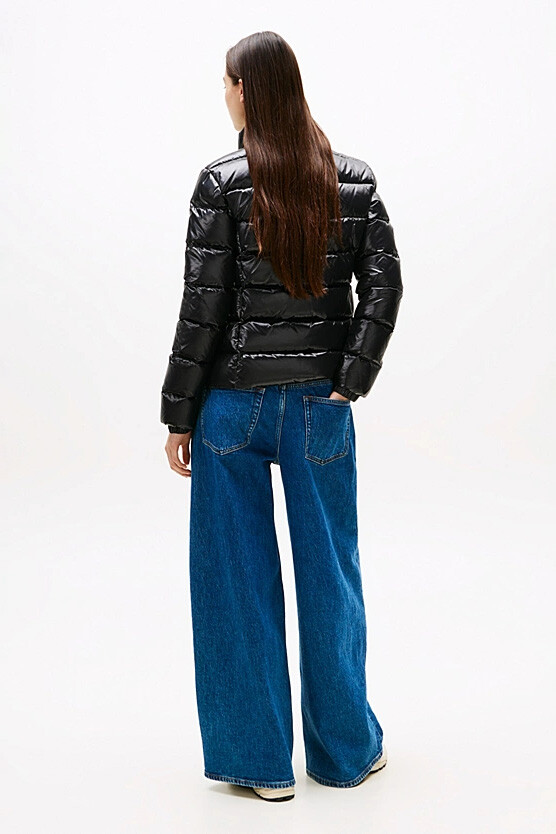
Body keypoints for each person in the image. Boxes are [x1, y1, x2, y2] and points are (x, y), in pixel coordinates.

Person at [160, 31, 403, 802]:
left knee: (234, 584)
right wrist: (347, 385)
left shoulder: (220, 182)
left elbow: (202, 309)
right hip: (316, 412)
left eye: (227, 83)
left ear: (245, 89)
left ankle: (259, 764)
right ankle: (346, 753)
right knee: (331, 577)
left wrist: (178, 413)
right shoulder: (352, 181)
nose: (224, 94)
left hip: (231, 410)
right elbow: (386, 288)